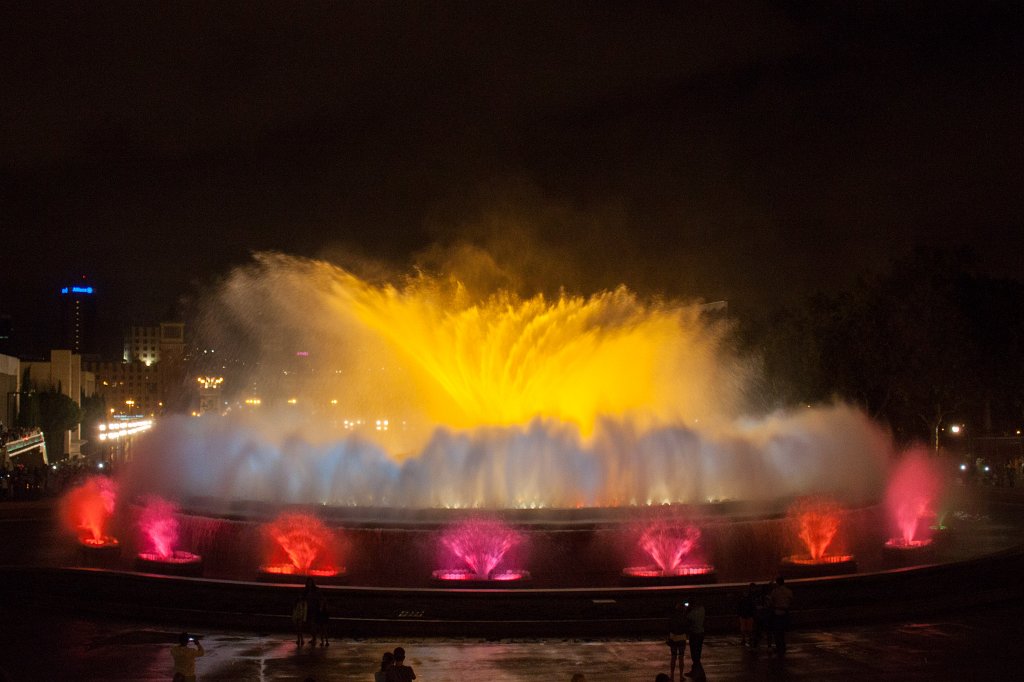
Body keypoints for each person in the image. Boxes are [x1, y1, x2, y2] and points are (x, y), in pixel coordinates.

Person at [768, 575, 794, 658]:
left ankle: (779, 647)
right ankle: (783, 646)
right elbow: (791, 600)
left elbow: (771, 602)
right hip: (785, 612)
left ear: (777, 583)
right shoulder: (788, 591)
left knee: (777, 632)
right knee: (783, 631)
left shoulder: (775, 591)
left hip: (777, 612)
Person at [666, 601, 688, 680]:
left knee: (673, 657)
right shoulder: (684, 617)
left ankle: (672, 675)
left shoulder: (672, 617)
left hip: (673, 638)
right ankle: (681, 676)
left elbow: (668, 627)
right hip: (682, 638)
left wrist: (668, 636)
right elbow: (687, 627)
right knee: (681, 657)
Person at [684, 601, 706, 677]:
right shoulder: (702, 609)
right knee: (698, 653)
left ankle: (696, 672)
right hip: (701, 633)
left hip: (694, 634)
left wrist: (687, 609)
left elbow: (686, 618)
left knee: (694, 655)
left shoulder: (692, 614)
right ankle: (697, 671)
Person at [737, 582, 757, 647]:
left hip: (744, 615)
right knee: (748, 628)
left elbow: (738, 607)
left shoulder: (741, 600)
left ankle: (745, 639)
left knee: (744, 628)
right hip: (748, 615)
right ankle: (749, 638)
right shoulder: (750, 599)